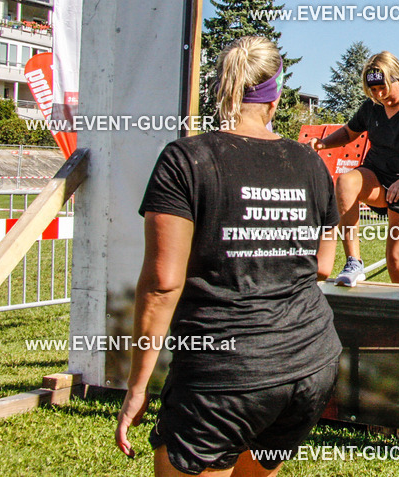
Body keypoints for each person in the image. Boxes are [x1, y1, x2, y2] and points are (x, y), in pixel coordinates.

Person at [115, 36, 341, 476]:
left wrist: (137, 385)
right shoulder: (311, 163)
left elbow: (163, 284)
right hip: (310, 363)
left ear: (223, 87)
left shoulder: (186, 159)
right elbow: (324, 266)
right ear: (276, 97)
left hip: (223, 376)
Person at [310, 51, 399, 287]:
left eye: (384, 88)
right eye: (374, 90)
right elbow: (349, 132)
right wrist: (323, 143)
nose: (380, 95)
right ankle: (354, 261)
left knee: (396, 259)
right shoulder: (372, 107)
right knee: (346, 182)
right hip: (378, 176)